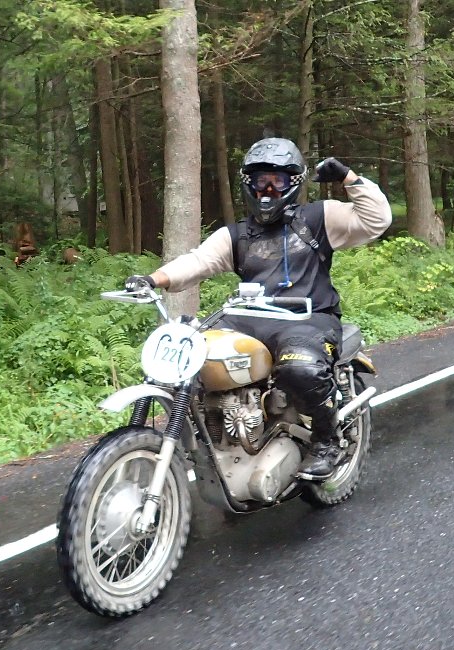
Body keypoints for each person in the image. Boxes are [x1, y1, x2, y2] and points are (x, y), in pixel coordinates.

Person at [125, 137, 391, 480]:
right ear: (247, 183)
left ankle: (327, 442)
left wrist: (348, 178)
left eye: (277, 180)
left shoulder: (318, 218)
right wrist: (153, 279)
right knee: (189, 356)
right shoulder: (236, 235)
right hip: (246, 318)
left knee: (301, 369)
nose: (267, 188)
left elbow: (376, 220)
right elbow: (197, 262)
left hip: (307, 318)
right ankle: (219, 438)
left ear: (292, 183)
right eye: (260, 179)